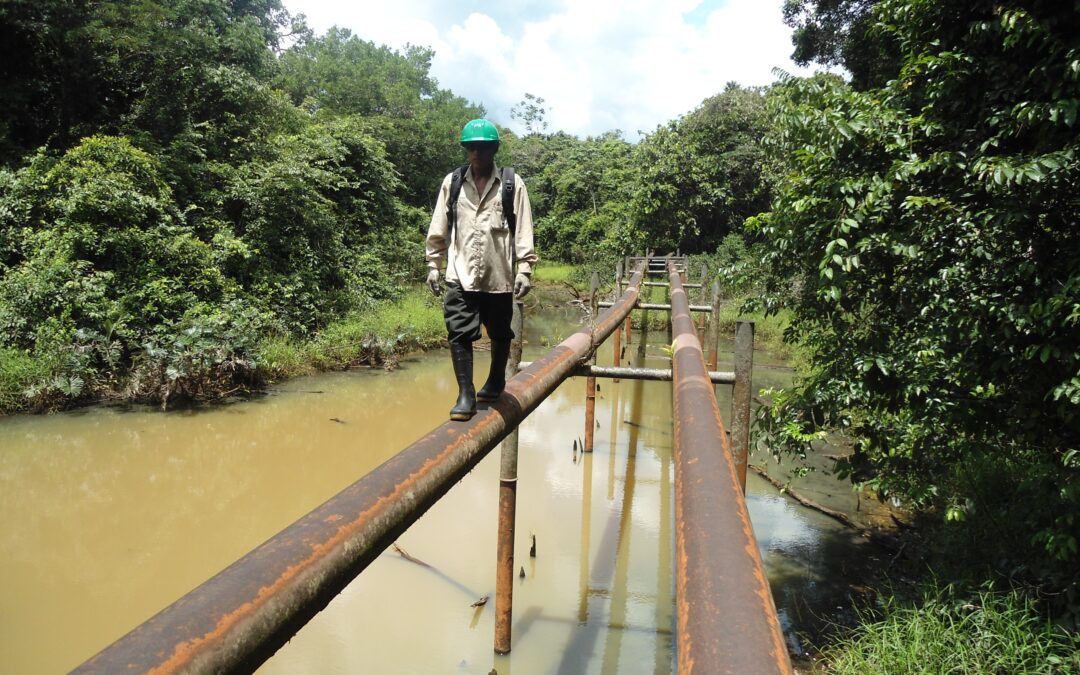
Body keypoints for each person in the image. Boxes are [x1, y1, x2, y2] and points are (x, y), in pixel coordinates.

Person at [425, 119, 537, 421]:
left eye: (483, 147)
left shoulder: (512, 184)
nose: (476, 153)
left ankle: (497, 379)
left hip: (498, 276)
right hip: (460, 274)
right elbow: (440, 226)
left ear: (494, 149)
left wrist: (525, 269)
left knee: (500, 331)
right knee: (458, 331)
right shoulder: (453, 182)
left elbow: (523, 229)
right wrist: (433, 264)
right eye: (471, 147)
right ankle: (465, 393)